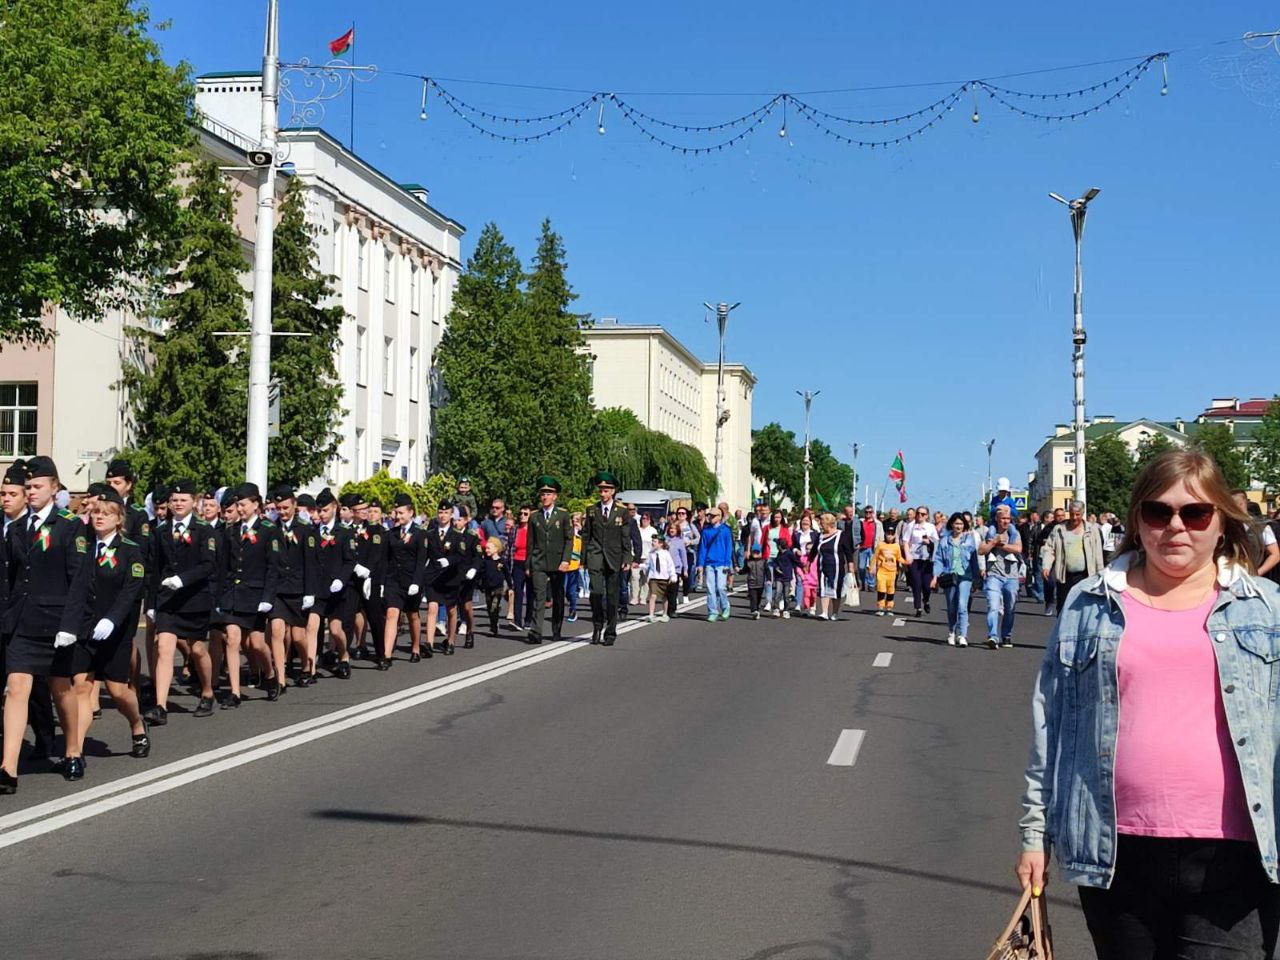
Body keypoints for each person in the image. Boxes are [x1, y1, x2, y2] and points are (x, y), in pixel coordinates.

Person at [1017, 450, 1280, 957]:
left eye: (1195, 513)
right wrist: (1034, 835)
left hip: (1237, 856)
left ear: (1221, 522)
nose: (1175, 526)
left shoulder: (1266, 609)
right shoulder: (1090, 604)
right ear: (1138, 520)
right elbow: (1051, 724)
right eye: (1159, 512)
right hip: (1115, 849)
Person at [1, 456, 92, 791]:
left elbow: (79, 579)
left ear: (54, 487)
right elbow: (12, 579)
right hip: (23, 622)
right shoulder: (17, 527)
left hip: (56, 624)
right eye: (28, 487)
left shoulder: (70, 525)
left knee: (61, 689)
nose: (31, 492)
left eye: (37, 486)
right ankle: (8, 767)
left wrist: (70, 625)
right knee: (16, 687)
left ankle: (72, 749)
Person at [65, 487, 150, 761]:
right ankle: (75, 752)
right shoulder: (84, 547)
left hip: (115, 630)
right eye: (96, 513)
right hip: (85, 627)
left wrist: (112, 619)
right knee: (81, 686)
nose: (99, 517)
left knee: (117, 691)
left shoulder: (130, 551)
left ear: (119, 519)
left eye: (107, 513)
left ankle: (137, 724)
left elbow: (130, 591)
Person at [146, 479, 218, 722]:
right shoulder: (160, 531)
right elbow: (154, 570)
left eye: (183, 500)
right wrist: (151, 604)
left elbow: (208, 565)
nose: (178, 504)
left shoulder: (204, 530)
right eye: (174, 500)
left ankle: (207, 691)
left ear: (194, 502)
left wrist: (182, 579)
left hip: (195, 599)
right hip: (168, 600)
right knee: (164, 647)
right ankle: (160, 706)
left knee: (197, 650)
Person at [217, 483, 279, 707]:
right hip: (233, 594)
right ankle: (235, 692)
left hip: (255, 595)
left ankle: (269, 674)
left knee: (256, 643)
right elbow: (224, 566)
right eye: (238, 505)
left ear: (255, 504)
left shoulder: (269, 530)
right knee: (232, 639)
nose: (240, 509)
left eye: (243, 504)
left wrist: (267, 598)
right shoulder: (231, 531)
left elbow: (273, 567)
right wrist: (220, 596)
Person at [267, 485, 314, 698]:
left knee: (298, 636)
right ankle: (280, 678)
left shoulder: (305, 529)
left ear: (294, 505)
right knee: (276, 630)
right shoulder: (271, 528)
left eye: (286, 507)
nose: (282, 512)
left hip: (298, 589)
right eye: (279, 508)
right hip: (278, 589)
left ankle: (306, 663)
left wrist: (310, 592)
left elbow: (310, 563)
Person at [582, 472, 635, 645]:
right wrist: (584, 558)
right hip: (595, 555)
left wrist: (627, 558)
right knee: (596, 592)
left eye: (606, 491)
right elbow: (586, 535)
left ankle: (610, 632)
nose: (603, 494)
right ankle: (597, 625)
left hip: (614, 557)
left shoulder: (622, 511)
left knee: (612, 597)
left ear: (612, 492)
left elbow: (625, 537)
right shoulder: (592, 510)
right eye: (601, 490)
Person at [313, 488, 358, 678]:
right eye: (319, 511)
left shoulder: (345, 532)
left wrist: (341, 579)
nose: (321, 514)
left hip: (335, 589)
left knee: (335, 629)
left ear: (334, 508)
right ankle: (310, 668)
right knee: (312, 627)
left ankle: (344, 655)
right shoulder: (313, 532)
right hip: (316, 587)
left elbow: (350, 560)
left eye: (324, 510)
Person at [525, 476, 573, 644]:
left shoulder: (563, 515)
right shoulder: (534, 516)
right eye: (543, 494)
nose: (545, 497)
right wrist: (528, 564)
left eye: (548, 494)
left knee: (558, 597)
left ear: (555, 496)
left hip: (557, 562)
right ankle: (536, 631)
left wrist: (566, 560)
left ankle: (556, 628)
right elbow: (530, 542)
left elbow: (569, 539)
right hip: (539, 562)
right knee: (539, 597)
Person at [382, 493, 426, 665]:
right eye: (396, 513)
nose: (398, 516)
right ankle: (386, 654)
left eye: (401, 513)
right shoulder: (391, 533)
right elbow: (386, 559)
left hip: (411, 581)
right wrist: (382, 583)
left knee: (412, 614)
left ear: (410, 512)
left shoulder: (419, 533)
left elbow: (421, 561)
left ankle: (416, 647)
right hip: (393, 580)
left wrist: (416, 582)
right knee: (392, 613)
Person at [1040, 500, 1104, 617]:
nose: (1074, 517)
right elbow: (1049, 549)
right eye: (1072, 514)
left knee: (1083, 609)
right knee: (1063, 609)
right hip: (1065, 576)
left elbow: (1098, 554)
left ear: (1083, 513)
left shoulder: (1092, 530)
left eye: (1077, 514)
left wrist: (1100, 574)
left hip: (1086, 576)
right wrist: (1046, 566)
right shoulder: (1059, 529)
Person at [422, 500, 466, 655]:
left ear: (451, 515)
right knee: (432, 607)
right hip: (433, 577)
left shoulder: (457, 535)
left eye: (446, 513)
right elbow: (424, 555)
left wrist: (449, 560)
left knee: (451, 610)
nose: (443, 515)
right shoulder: (430, 534)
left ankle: (451, 640)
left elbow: (461, 556)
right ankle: (429, 643)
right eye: (440, 512)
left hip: (450, 577)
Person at [930, 512, 980, 647]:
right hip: (949, 575)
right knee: (952, 607)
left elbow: (974, 559)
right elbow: (939, 560)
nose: (959, 526)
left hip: (965, 576)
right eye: (956, 523)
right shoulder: (944, 541)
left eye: (961, 524)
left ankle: (963, 635)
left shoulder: (969, 539)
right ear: (951, 524)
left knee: (962, 605)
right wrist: (935, 576)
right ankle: (952, 632)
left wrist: (977, 578)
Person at [979, 504, 1022, 649]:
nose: (1005, 521)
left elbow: (1018, 548)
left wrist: (1001, 545)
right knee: (993, 606)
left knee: (1010, 607)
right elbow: (981, 550)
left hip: (1011, 576)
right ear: (997, 519)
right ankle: (992, 636)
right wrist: (993, 542)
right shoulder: (990, 533)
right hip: (994, 575)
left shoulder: (1014, 533)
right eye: (1003, 518)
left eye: (1008, 518)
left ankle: (1006, 635)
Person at [697, 506, 735, 622]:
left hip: (722, 563)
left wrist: (727, 563)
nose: (710, 518)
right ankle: (713, 611)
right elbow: (702, 548)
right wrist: (700, 564)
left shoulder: (725, 530)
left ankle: (725, 606)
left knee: (721, 587)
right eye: (710, 515)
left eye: (713, 516)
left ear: (719, 517)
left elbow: (729, 547)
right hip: (709, 563)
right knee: (710, 588)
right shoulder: (706, 530)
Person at [901, 505, 939, 617]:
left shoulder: (930, 527)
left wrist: (929, 542)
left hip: (927, 559)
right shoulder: (911, 526)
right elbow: (905, 542)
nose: (920, 516)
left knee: (927, 586)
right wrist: (908, 555)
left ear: (927, 516)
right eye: (918, 513)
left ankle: (926, 600)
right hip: (914, 558)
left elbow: (936, 542)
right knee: (916, 583)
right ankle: (918, 607)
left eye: (923, 514)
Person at [871, 527, 906, 616]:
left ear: (894, 536)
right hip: (882, 571)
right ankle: (880, 607)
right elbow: (875, 556)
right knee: (881, 589)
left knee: (890, 590)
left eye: (892, 534)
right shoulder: (880, 545)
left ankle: (889, 608)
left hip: (892, 572)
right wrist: (872, 567)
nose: (890, 536)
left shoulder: (896, 546)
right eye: (888, 534)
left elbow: (899, 557)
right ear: (885, 534)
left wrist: (906, 563)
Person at [816, 513, 842, 621]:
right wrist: (808, 563)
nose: (820, 524)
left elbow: (847, 551)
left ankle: (835, 612)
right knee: (823, 587)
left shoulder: (840, 535)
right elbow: (814, 550)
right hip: (822, 565)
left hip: (837, 566)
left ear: (827, 523)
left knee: (835, 589)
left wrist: (851, 565)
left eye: (822, 522)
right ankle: (824, 612)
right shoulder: (820, 536)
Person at [480, 536, 508, 637]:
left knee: (494, 607)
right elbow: (481, 573)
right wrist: (480, 585)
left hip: (498, 588)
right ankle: (493, 624)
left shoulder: (501, 561)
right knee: (489, 608)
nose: (486, 550)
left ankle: (494, 626)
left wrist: (511, 586)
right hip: (488, 587)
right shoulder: (485, 561)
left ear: (496, 549)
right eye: (486, 548)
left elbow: (507, 573)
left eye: (489, 548)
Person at [645, 534, 675, 623]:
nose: (652, 543)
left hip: (664, 578)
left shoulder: (666, 553)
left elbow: (670, 566)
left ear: (661, 543)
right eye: (652, 541)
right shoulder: (651, 553)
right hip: (654, 578)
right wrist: (639, 566)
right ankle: (651, 614)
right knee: (653, 596)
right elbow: (648, 565)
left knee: (664, 597)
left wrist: (672, 575)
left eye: (655, 541)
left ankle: (665, 614)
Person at [565, 512, 584, 623]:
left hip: (575, 564)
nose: (574, 521)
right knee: (563, 589)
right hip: (564, 564)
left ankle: (573, 610)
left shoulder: (582, 534)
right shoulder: (567, 531)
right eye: (573, 519)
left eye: (577, 519)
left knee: (571, 590)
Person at [745, 544, 766, 619]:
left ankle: (756, 609)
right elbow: (745, 570)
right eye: (754, 552)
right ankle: (754, 611)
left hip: (760, 583)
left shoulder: (763, 561)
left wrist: (769, 579)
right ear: (751, 552)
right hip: (752, 583)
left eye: (757, 552)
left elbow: (767, 571)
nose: (756, 554)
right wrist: (738, 571)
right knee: (753, 598)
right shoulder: (748, 561)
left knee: (758, 598)